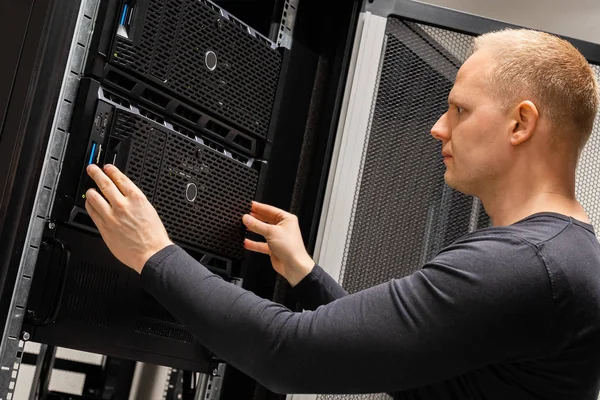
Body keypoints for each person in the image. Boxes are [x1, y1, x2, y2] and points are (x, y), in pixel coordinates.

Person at [83, 28, 600, 399]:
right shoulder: (563, 256)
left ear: (520, 124)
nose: (438, 128)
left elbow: (289, 355)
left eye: (459, 109)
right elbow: (412, 371)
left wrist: (154, 253)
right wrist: (305, 275)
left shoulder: (524, 264)